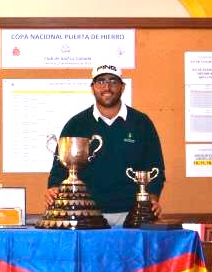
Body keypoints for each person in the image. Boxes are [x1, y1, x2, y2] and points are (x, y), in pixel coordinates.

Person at [45, 63, 166, 226]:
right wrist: (53, 188)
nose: (107, 87)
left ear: (122, 87)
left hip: (133, 215)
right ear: (93, 87)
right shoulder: (76, 124)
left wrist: (151, 200)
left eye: (113, 81)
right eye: (101, 81)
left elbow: (155, 167)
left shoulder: (141, 123)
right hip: (86, 216)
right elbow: (59, 168)